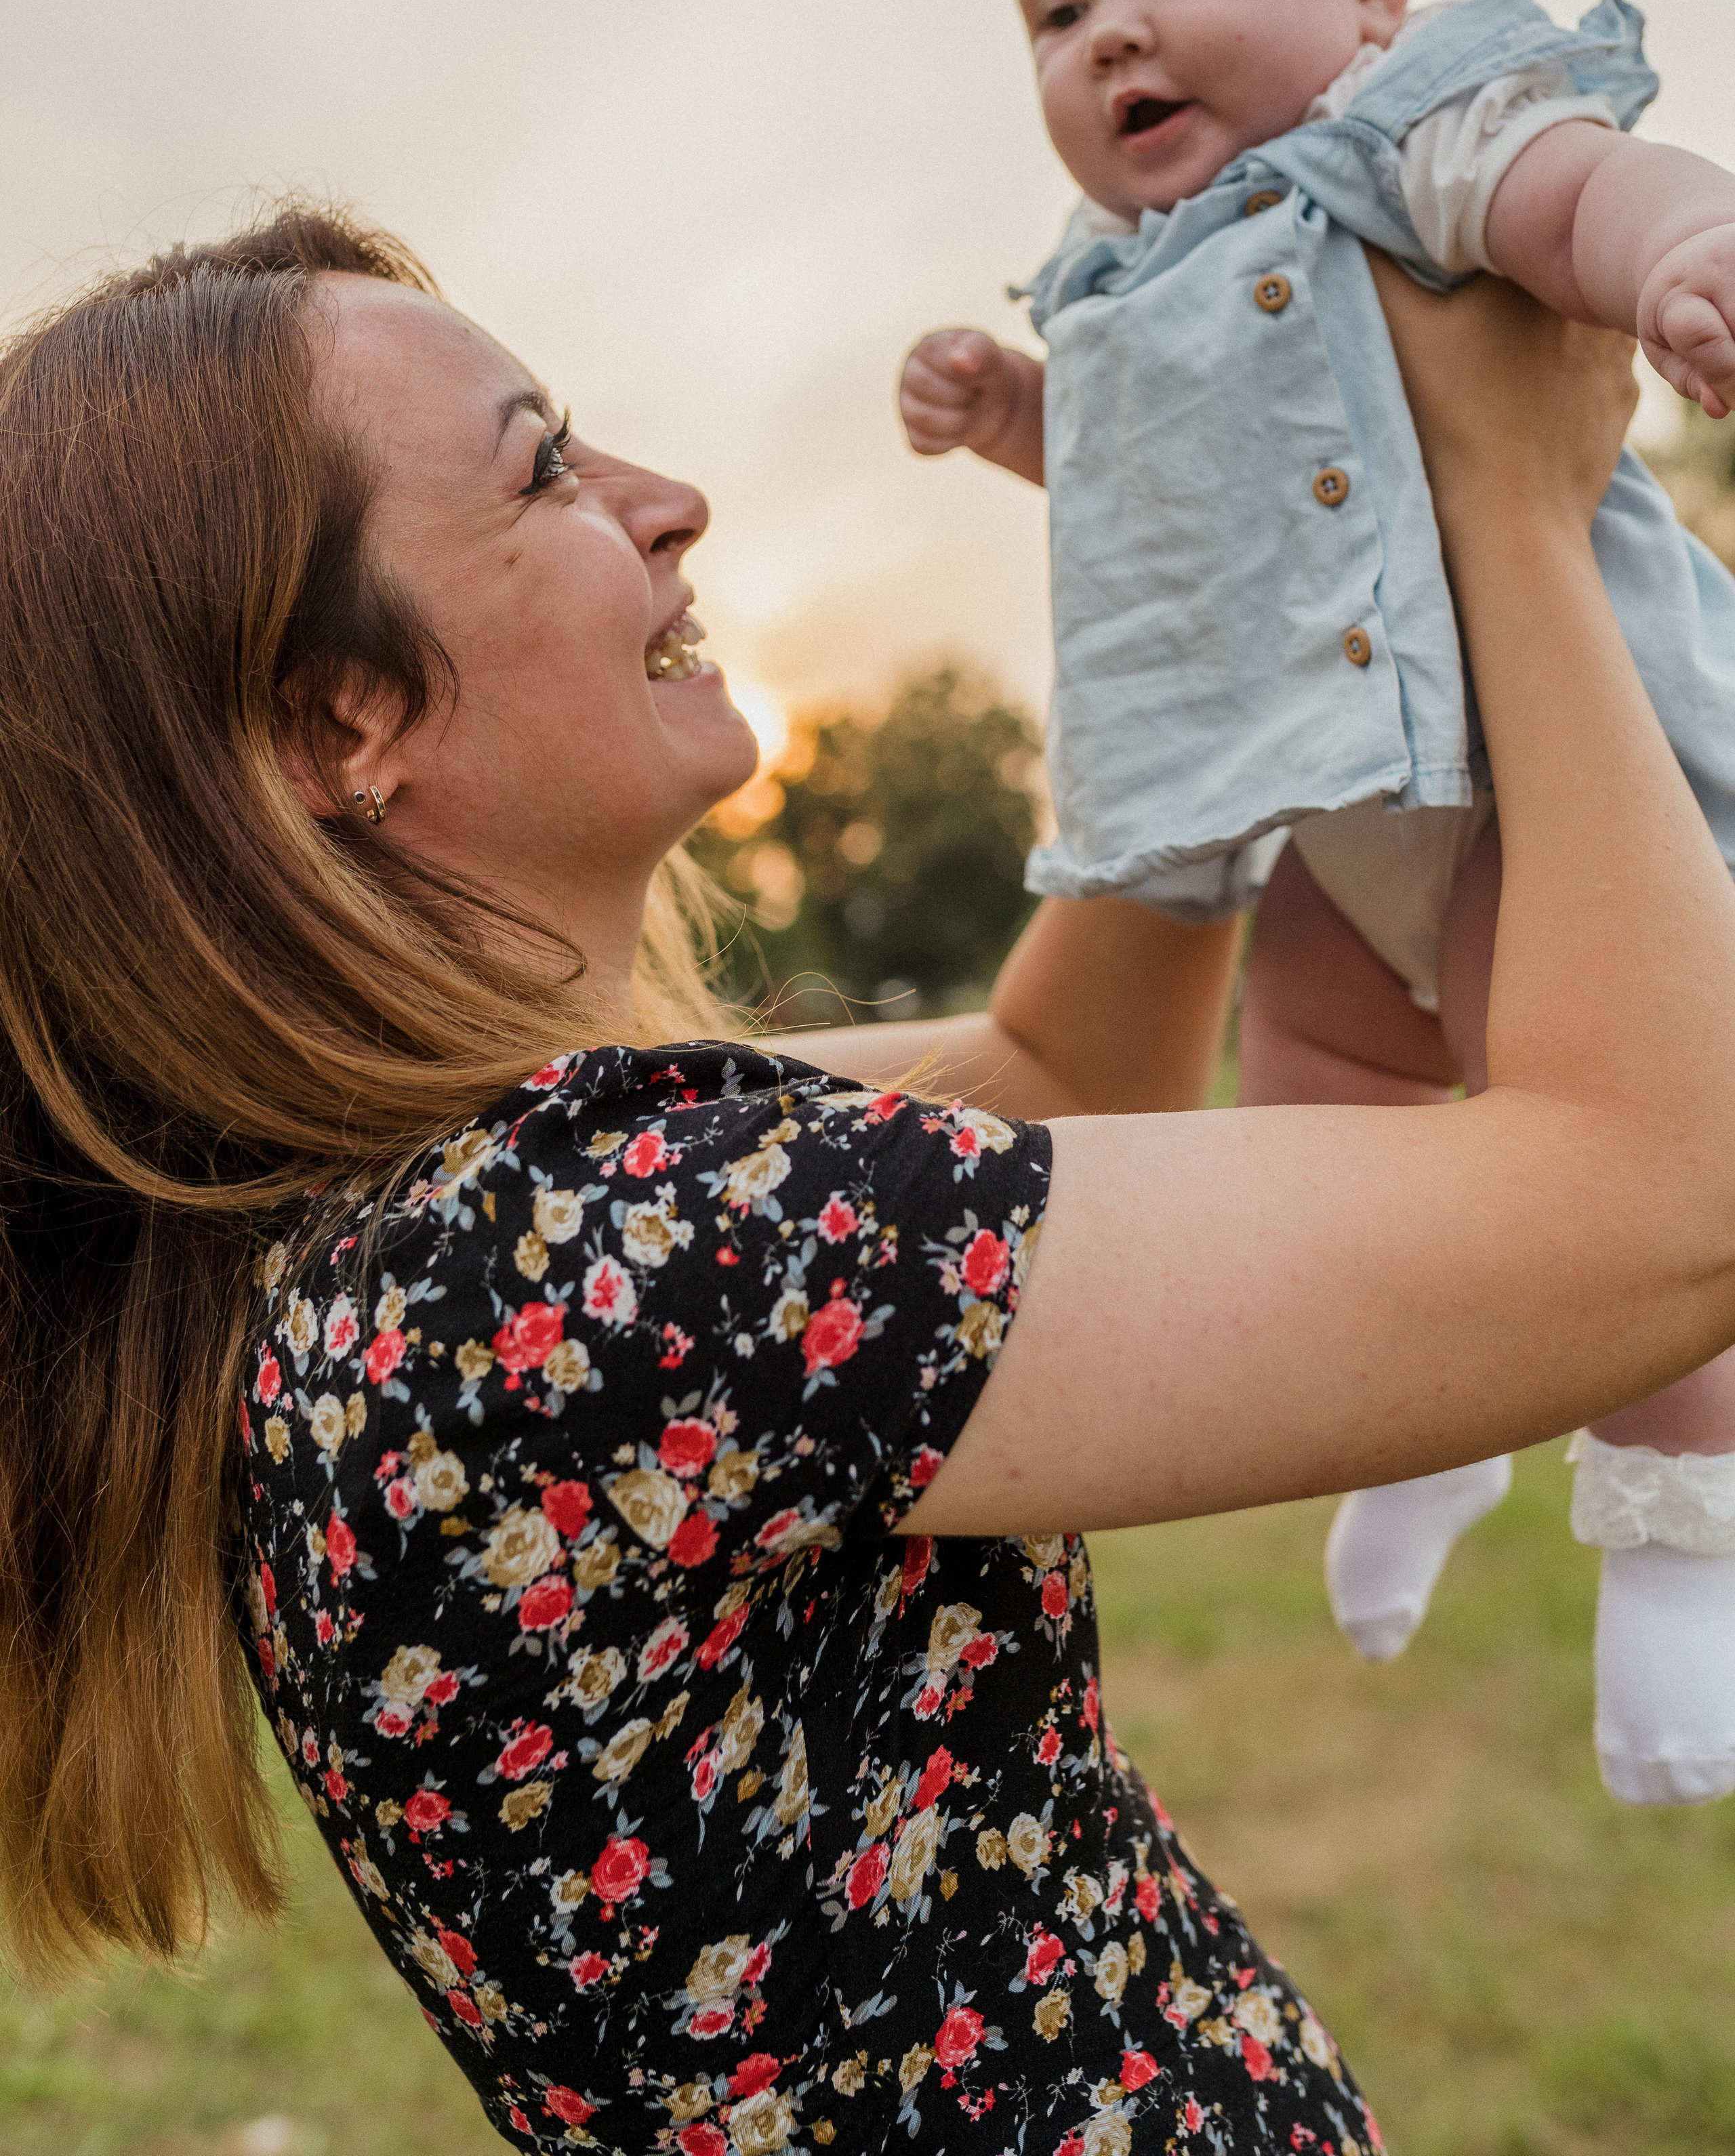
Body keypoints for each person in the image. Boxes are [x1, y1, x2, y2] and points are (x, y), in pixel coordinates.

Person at [3, 207, 1733, 2156]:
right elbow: (1671, 1200)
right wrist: (1514, 494)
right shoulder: (583, 1263)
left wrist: (1187, 552)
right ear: (347, 721)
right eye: (546, 467)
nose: (672, 503)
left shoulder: (449, 1225)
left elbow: (1074, 1075)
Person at [898, 0, 1735, 1809]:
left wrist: (1680, 253)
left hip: (1570, 784)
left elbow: (1570, 190)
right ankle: (1431, 1427)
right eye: (1052, 2)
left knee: (1624, 1178)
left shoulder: (1407, 129)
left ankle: (1690, 1552)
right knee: (1338, 1119)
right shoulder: (1113, 275)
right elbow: (1170, 493)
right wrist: (1023, 419)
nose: (1110, 32)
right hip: (1337, 811)